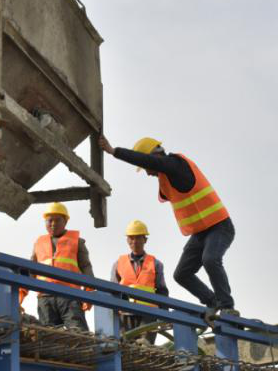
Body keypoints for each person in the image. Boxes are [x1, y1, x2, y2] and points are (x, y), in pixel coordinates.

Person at [96, 134, 236, 323]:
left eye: (147, 167)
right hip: (201, 232)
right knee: (182, 274)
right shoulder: (166, 175)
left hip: (219, 226)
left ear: (155, 157)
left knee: (210, 259)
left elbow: (153, 162)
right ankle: (213, 301)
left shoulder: (175, 164)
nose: (147, 172)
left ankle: (227, 306)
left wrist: (114, 152)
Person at [26, 202, 93, 330]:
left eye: (57, 220)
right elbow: (31, 270)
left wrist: (89, 293)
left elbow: (86, 267)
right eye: (50, 220)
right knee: (48, 335)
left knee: (78, 332)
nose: (53, 224)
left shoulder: (77, 242)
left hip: (70, 295)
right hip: (45, 297)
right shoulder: (39, 243)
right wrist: (20, 294)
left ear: (65, 221)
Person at [111, 219, 168, 344]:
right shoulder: (118, 264)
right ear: (127, 240)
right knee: (125, 348)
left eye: (138, 238)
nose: (134, 241)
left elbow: (162, 292)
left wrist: (165, 316)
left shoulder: (156, 264)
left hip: (149, 314)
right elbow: (113, 292)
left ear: (145, 240)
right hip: (125, 314)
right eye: (131, 238)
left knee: (145, 347)